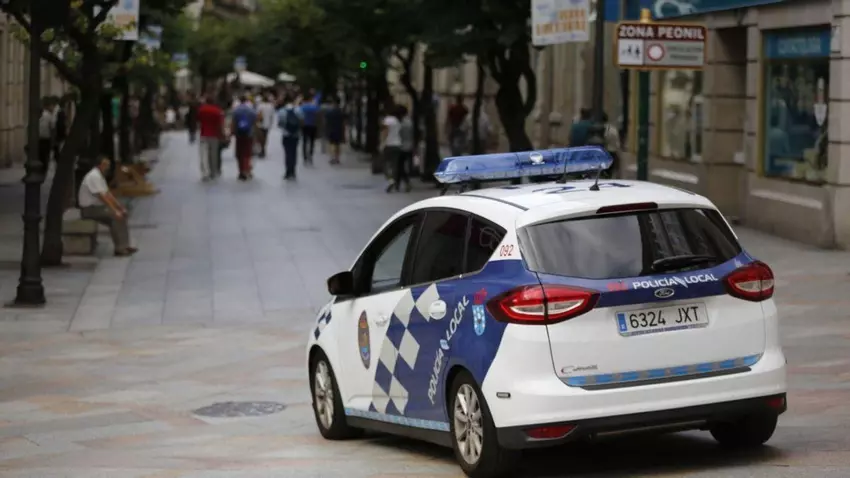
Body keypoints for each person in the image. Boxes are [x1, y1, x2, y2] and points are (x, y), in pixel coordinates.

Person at [78, 157, 137, 256]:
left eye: (108, 165)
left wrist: (120, 207)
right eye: (105, 165)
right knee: (115, 217)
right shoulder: (93, 176)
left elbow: (108, 194)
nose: (107, 167)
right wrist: (114, 211)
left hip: (97, 207)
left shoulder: (100, 176)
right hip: (89, 209)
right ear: (99, 165)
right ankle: (120, 248)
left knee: (122, 215)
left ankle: (125, 245)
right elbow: (102, 197)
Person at [197, 96, 225, 181]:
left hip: (204, 134)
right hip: (214, 135)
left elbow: (198, 121)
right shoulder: (217, 111)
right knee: (213, 154)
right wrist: (222, 135)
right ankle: (213, 172)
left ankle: (205, 172)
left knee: (203, 154)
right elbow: (220, 124)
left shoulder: (201, 110)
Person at [278, 94, 304, 180]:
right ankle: (293, 171)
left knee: (287, 153)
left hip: (286, 134)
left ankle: (287, 171)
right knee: (294, 152)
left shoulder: (282, 111)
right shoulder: (298, 110)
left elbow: (280, 124)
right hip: (296, 135)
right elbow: (302, 121)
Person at [231, 95, 257, 181]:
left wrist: (232, 132)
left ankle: (241, 171)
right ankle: (246, 170)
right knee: (247, 153)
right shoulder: (251, 110)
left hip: (239, 134)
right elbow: (255, 122)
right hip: (249, 134)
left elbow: (233, 122)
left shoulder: (236, 110)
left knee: (239, 153)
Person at [389, 105, 413, 193]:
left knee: (400, 166)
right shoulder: (409, 122)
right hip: (408, 146)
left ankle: (404, 182)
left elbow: (399, 134)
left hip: (402, 147)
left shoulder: (402, 123)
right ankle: (398, 184)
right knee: (400, 166)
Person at [381, 104, 403, 191]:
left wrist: (382, 143)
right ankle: (394, 180)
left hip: (389, 144)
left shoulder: (387, 120)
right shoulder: (397, 121)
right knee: (394, 165)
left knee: (385, 164)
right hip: (397, 144)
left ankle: (390, 180)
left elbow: (385, 132)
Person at [299, 93, 319, 163]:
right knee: (312, 142)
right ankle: (310, 155)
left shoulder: (302, 107)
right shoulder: (314, 107)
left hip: (304, 126)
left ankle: (304, 157)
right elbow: (318, 114)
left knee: (304, 141)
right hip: (313, 126)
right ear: (310, 99)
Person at [325, 96, 345, 165]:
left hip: (331, 129)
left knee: (332, 144)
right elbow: (343, 121)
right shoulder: (341, 111)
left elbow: (326, 120)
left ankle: (332, 157)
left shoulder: (330, 111)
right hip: (339, 129)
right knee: (338, 144)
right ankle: (337, 158)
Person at [601, 112, 621, 178]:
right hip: (612, 153)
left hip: (603, 153)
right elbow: (617, 144)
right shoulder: (613, 129)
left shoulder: (599, 129)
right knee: (610, 173)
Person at [256, 93, 276, 159]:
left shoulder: (260, 106)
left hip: (260, 124)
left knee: (260, 138)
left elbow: (257, 114)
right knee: (265, 137)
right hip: (267, 124)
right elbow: (272, 116)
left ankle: (262, 150)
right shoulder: (271, 106)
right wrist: (271, 123)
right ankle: (263, 149)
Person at [38, 98, 54, 168]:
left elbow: (52, 128)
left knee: (45, 156)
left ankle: (44, 168)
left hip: (46, 140)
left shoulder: (48, 115)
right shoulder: (33, 116)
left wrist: (53, 141)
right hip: (37, 140)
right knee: (38, 156)